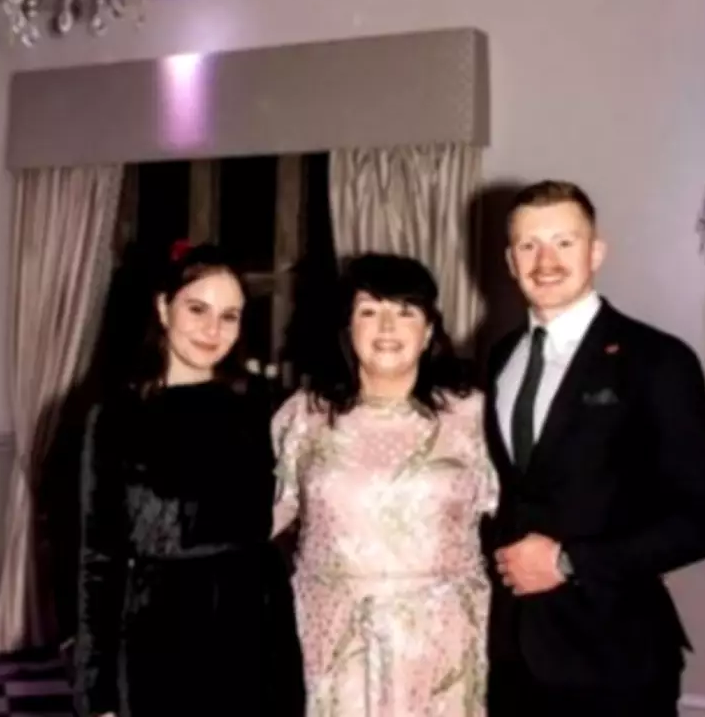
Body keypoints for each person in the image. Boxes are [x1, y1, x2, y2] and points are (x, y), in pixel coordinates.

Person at [484, 180, 705, 717]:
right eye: (529, 245)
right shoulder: (499, 357)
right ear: (509, 260)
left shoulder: (658, 360)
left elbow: (700, 524)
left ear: (595, 252)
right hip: (511, 658)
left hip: (615, 659)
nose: (546, 261)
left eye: (564, 242)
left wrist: (568, 561)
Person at [272, 253, 498, 716]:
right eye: (370, 311)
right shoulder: (304, 416)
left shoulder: (472, 415)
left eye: (406, 311)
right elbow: (264, 516)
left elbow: (522, 511)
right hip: (333, 640)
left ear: (429, 330)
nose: (388, 327)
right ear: (348, 327)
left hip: (440, 644)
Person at [74, 242, 278, 717]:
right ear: (164, 308)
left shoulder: (260, 406)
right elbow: (97, 559)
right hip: (157, 639)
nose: (213, 330)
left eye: (229, 316)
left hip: (253, 633)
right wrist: (97, 692)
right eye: (197, 309)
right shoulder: (116, 416)